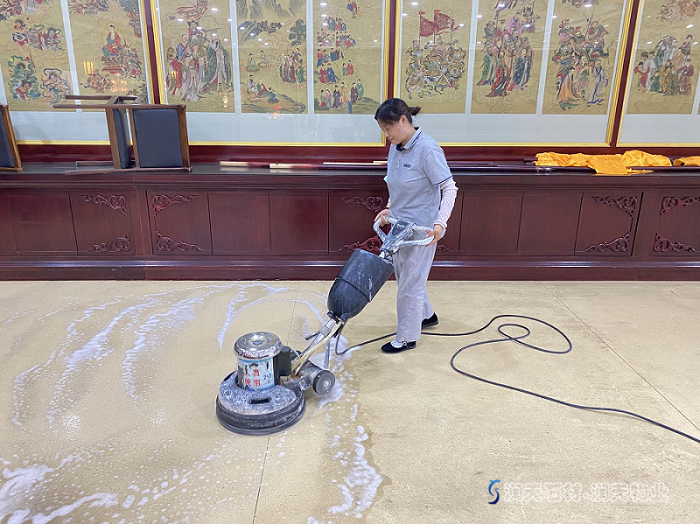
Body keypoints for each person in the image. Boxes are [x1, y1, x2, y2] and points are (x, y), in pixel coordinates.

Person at [372, 98, 458, 354]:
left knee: (409, 284)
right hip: (399, 226)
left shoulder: (428, 149)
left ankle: (407, 337)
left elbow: (449, 188)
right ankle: (427, 315)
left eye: (388, 128)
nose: (386, 135)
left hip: (421, 231)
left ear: (403, 120)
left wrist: (440, 223)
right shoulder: (396, 147)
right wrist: (390, 207)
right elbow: (396, 182)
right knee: (408, 278)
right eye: (382, 130)